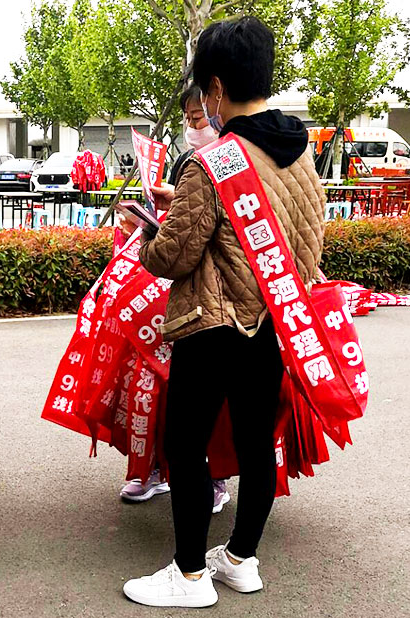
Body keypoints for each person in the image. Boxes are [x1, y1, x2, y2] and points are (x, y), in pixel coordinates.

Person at [123, 16, 324, 608]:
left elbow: (173, 256)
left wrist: (147, 233)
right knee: (259, 444)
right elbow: (305, 242)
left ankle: (188, 577)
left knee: (185, 446)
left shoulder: (212, 161)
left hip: (211, 327)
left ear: (214, 88)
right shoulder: (300, 152)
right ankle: (240, 560)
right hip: (272, 325)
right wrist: (184, 202)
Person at [118, 85, 229, 514]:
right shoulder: (191, 162)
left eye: (198, 117)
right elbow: (188, 220)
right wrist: (164, 205)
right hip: (177, 294)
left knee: (209, 403)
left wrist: (150, 233)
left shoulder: (230, 162)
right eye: (188, 118)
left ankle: (213, 479)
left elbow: (178, 248)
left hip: (209, 301)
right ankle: (155, 468)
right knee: (153, 384)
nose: (192, 126)